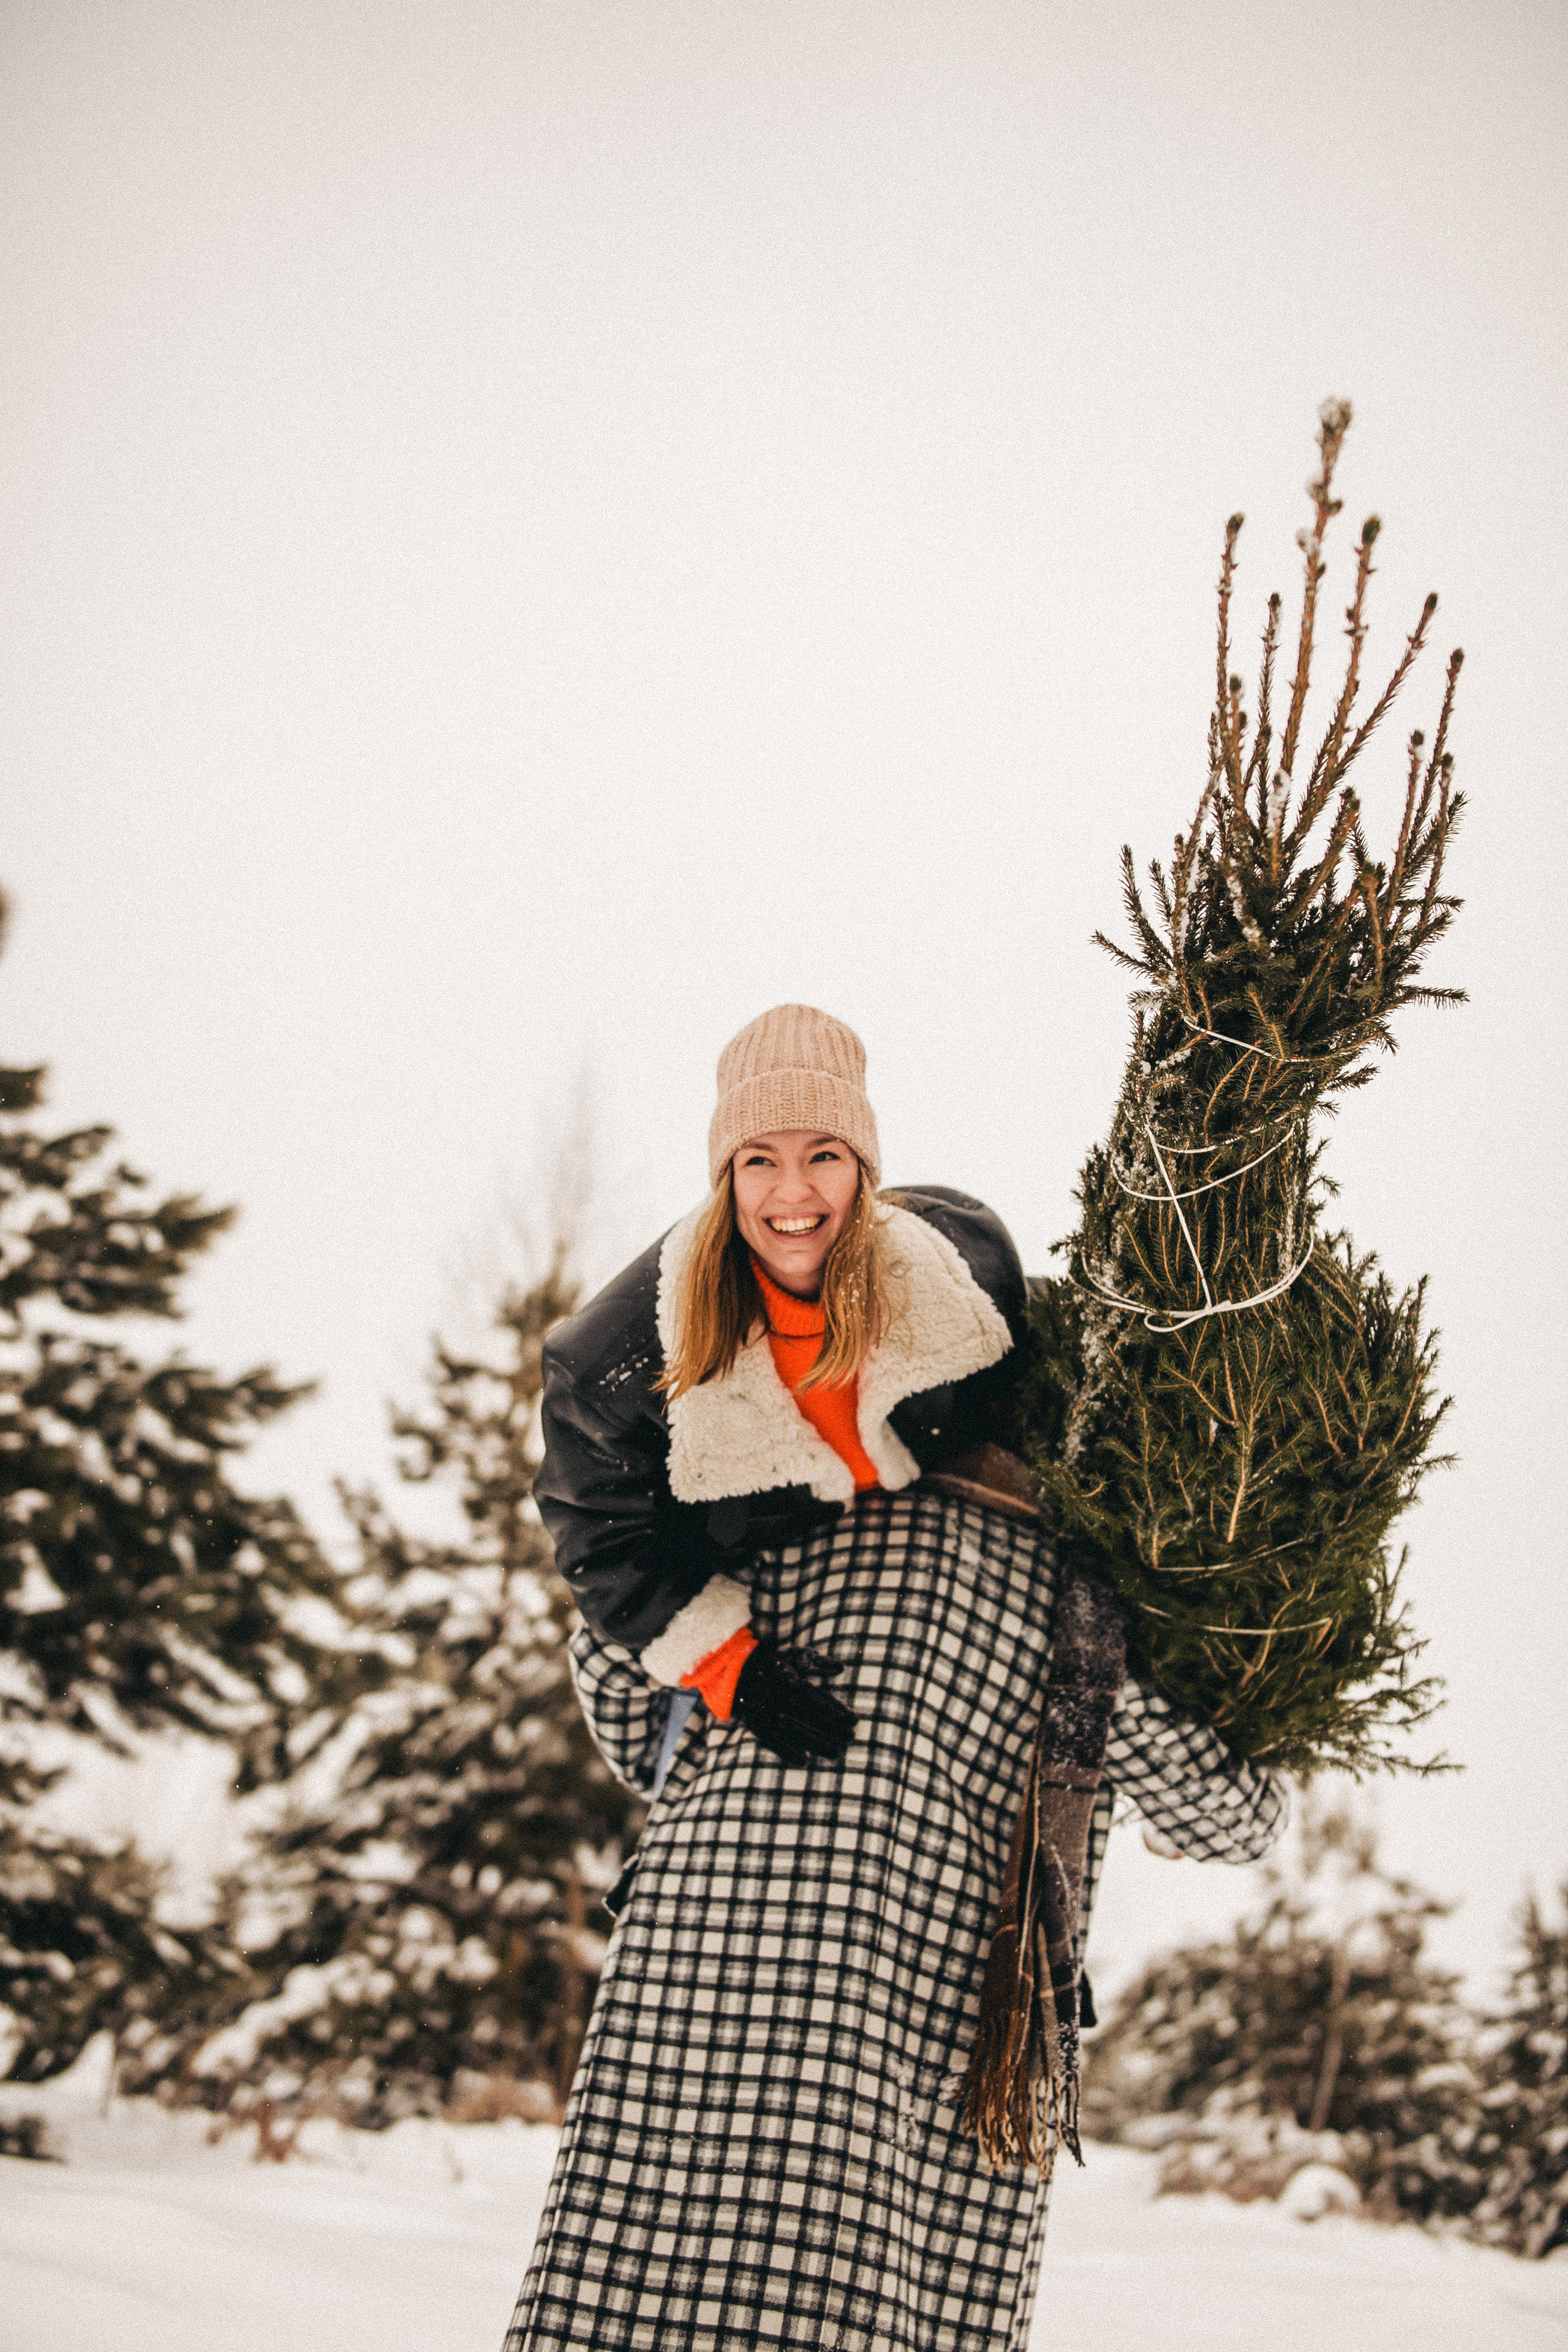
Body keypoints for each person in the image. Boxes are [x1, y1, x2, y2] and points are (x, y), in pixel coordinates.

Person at [503, 1004, 1283, 2352]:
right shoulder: (1076, 1606)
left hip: (709, 1980)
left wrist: (716, 1658)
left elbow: (627, 1706)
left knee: (637, 2313)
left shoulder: (751, 1508)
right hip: (938, 2031)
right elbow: (1237, 1817)